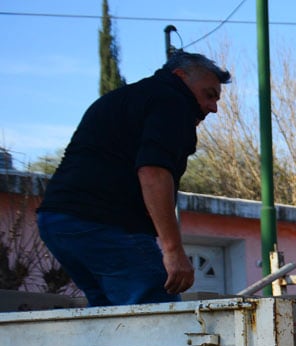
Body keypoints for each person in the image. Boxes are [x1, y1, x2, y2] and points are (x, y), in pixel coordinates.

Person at [37, 51, 230, 307]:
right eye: (209, 95)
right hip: (104, 222)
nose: (213, 108)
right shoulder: (173, 102)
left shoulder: (125, 98)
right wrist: (173, 250)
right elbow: (153, 171)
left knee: (110, 315)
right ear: (180, 76)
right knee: (156, 315)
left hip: (57, 220)